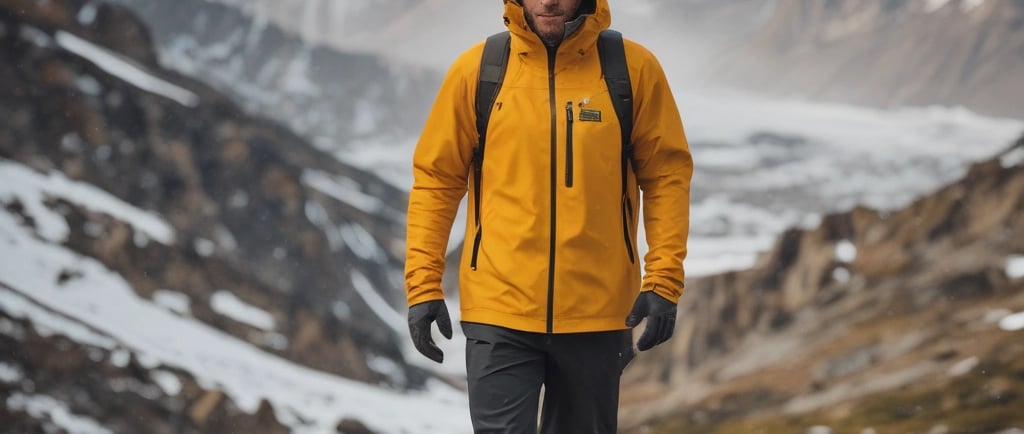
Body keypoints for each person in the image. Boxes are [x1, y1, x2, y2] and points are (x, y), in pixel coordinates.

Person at [404, 0, 692, 432]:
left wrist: (664, 280)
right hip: (499, 311)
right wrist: (423, 286)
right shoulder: (479, 71)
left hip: (598, 311)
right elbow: (436, 182)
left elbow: (667, 175)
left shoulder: (632, 70)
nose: (549, 1)